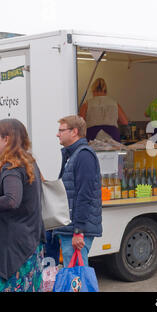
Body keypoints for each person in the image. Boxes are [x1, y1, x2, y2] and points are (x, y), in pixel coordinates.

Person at [0, 119, 46, 292]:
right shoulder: (29, 162)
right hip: (30, 241)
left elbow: (12, 199)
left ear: (7, 139)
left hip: (15, 249)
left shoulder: (11, 167)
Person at [53, 115, 102, 267]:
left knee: (76, 279)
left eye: (61, 130)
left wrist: (78, 230)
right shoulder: (72, 155)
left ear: (74, 132)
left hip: (76, 230)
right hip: (70, 228)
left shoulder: (84, 156)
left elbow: (84, 195)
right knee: (74, 277)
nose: (57, 134)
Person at [79, 77, 129, 142]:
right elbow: (125, 122)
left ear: (93, 90)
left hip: (92, 136)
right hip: (112, 136)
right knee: (113, 152)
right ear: (105, 91)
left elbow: (79, 124)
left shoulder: (87, 104)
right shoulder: (114, 103)